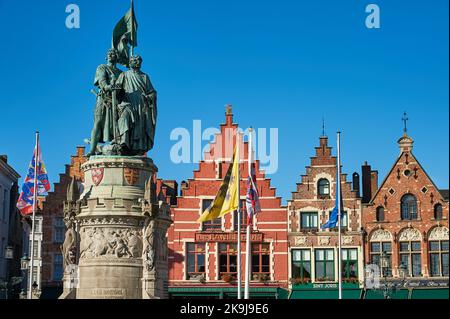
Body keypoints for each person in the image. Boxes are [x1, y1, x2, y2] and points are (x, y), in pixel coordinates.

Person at [117, 55, 157, 155]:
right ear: (130, 62)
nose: (137, 62)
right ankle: (123, 143)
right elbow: (117, 88)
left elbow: (152, 92)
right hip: (128, 103)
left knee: (140, 127)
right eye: (134, 60)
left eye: (139, 60)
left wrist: (148, 97)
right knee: (124, 118)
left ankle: (138, 148)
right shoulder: (124, 75)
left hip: (142, 105)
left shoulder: (145, 77)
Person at [87, 49, 123, 156]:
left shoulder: (121, 73)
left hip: (116, 101)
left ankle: (118, 146)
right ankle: (92, 149)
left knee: (117, 124)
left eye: (114, 54)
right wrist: (107, 86)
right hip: (103, 99)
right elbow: (102, 80)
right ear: (106, 57)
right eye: (109, 54)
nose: (111, 55)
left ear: (117, 57)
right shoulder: (102, 67)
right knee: (98, 122)